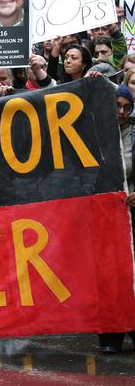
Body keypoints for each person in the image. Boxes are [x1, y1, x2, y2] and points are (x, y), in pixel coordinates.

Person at [98, 85, 135, 353]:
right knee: (109, 277)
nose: (121, 112)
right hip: (104, 218)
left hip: (133, 215)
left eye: (127, 107)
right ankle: (111, 337)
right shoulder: (92, 134)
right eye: (117, 105)